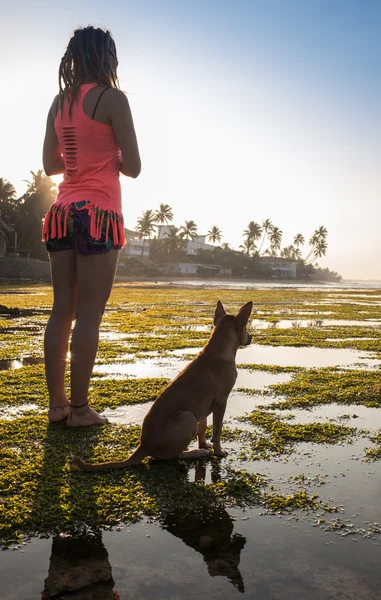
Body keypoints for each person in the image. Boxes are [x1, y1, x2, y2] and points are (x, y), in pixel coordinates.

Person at [42, 26, 141, 426]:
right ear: (107, 59)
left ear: (73, 59)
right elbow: (133, 167)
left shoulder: (59, 102)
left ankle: (57, 408)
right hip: (99, 214)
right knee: (90, 315)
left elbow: (51, 165)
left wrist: (80, 157)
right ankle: (81, 411)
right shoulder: (113, 99)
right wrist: (108, 157)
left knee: (61, 311)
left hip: (62, 211)